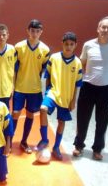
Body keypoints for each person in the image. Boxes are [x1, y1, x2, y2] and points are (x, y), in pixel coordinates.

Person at [73, 16, 108, 160]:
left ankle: (97, 149)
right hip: (87, 87)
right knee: (82, 118)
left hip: (106, 90)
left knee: (102, 121)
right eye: (103, 27)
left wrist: (105, 79)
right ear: (98, 28)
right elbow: (82, 64)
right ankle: (79, 145)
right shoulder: (88, 45)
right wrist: (91, 78)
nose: (105, 30)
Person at [36, 32, 82, 161]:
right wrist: (47, 92)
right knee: (43, 109)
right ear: (62, 44)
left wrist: (74, 101)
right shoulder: (54, 58)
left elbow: (78, 84)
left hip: (66, 97)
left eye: (71, 44)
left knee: (61, 122)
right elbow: (48, 76)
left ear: (75, 45)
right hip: (53, 92)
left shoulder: (77, 63)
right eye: (66, 44)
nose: (68, 46)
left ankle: (56, 147)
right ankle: (44, 139)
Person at [12, 19, 50, 153]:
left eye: (37, 31)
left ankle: (24, 141)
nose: (34, 33)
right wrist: (12, 86)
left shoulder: (45, 50)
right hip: (20, 88)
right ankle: (9, 142)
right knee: (15, 114)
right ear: (28, 31)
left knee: (30, 115)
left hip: (35, 89)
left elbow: (46, 72)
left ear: (41, 32)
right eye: (32, 31)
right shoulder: (19, 47)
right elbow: (14, 69)